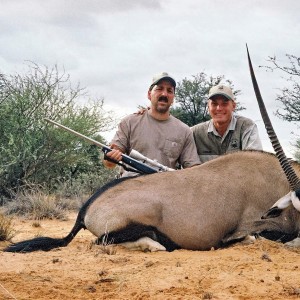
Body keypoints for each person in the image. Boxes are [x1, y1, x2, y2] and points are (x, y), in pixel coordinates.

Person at [104, 72, 201, 176]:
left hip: (165, 188)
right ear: (149, 94)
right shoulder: (129, 122)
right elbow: (109, 164)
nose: (164, 94)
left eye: (169, 91)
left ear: (173, 98)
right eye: (159, 89)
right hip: (131, 187)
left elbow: (192, 170)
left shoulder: (184, 131)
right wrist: (111, 158)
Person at [191, 84, 263, 163]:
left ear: (233, 106)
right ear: (208, 107)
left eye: (224, 104)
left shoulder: (247, 126)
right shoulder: (193, 132)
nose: (219, 108)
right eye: (214, 104)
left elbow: (255, 162)